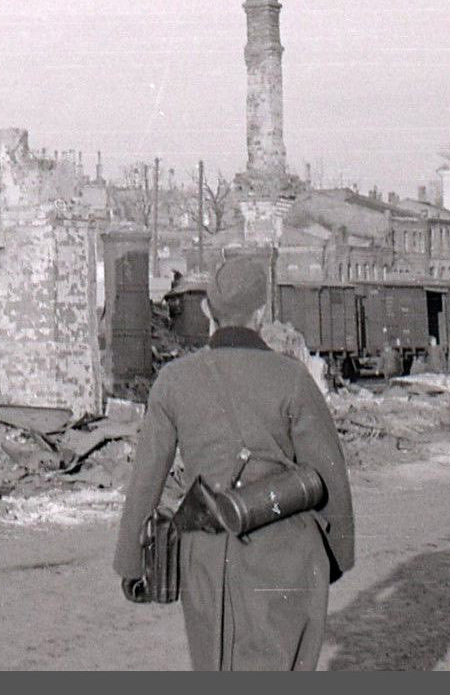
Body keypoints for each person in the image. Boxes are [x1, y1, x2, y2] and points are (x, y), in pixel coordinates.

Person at [113, 256, 355, 670]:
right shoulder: (293, 378)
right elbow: (330, 478)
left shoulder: (174, 380)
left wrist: (132, 563)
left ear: (208, 310)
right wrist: (336, 558)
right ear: (261, 313)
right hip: (289, 554)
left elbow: (145, 481)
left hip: (207, 556)